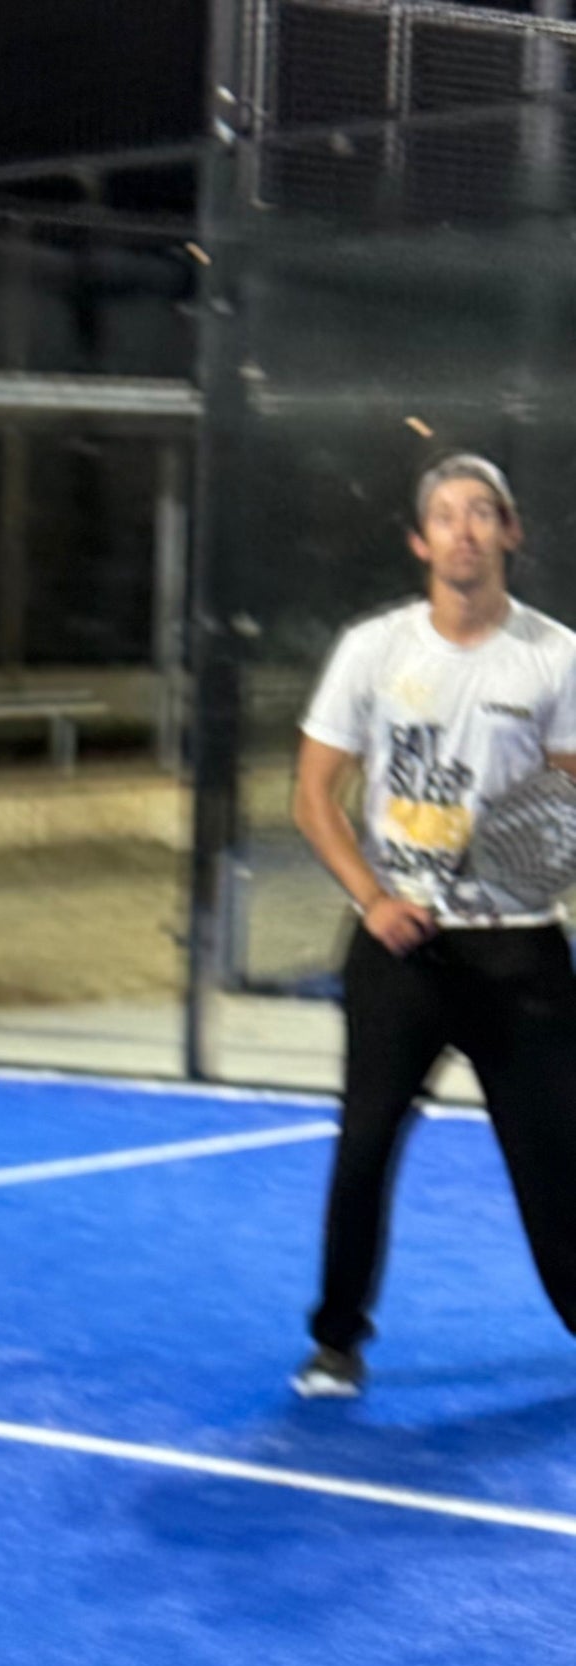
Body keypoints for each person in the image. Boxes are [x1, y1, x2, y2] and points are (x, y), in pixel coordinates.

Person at [291, 453, 576, 1398]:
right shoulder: (372, 650)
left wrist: (520, 865)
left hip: (521, 953)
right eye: (445, 515)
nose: (464, 530)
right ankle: (336, 1341)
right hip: (398, 950)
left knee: (556, 1163)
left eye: (482, 512)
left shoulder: (556, 656)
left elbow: (571, 801)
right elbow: (313, 795)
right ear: (420, 542)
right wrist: (372, 898)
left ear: (510, 532)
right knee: (363, 1147)